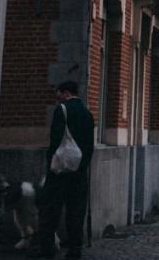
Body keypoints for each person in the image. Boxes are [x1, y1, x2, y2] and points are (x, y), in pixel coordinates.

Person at [30, 81, 94, 260]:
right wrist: (83, 166)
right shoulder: (88, 113)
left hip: (60, 173)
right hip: (79, 172)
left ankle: (47, 249)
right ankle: (75, 250)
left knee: (50, 211)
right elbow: (89, 146)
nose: (56, 97)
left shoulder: (62, 110)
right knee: (76, 212)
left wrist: (51, 164)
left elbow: (56, 141)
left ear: (65, 93)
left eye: (58, 93)